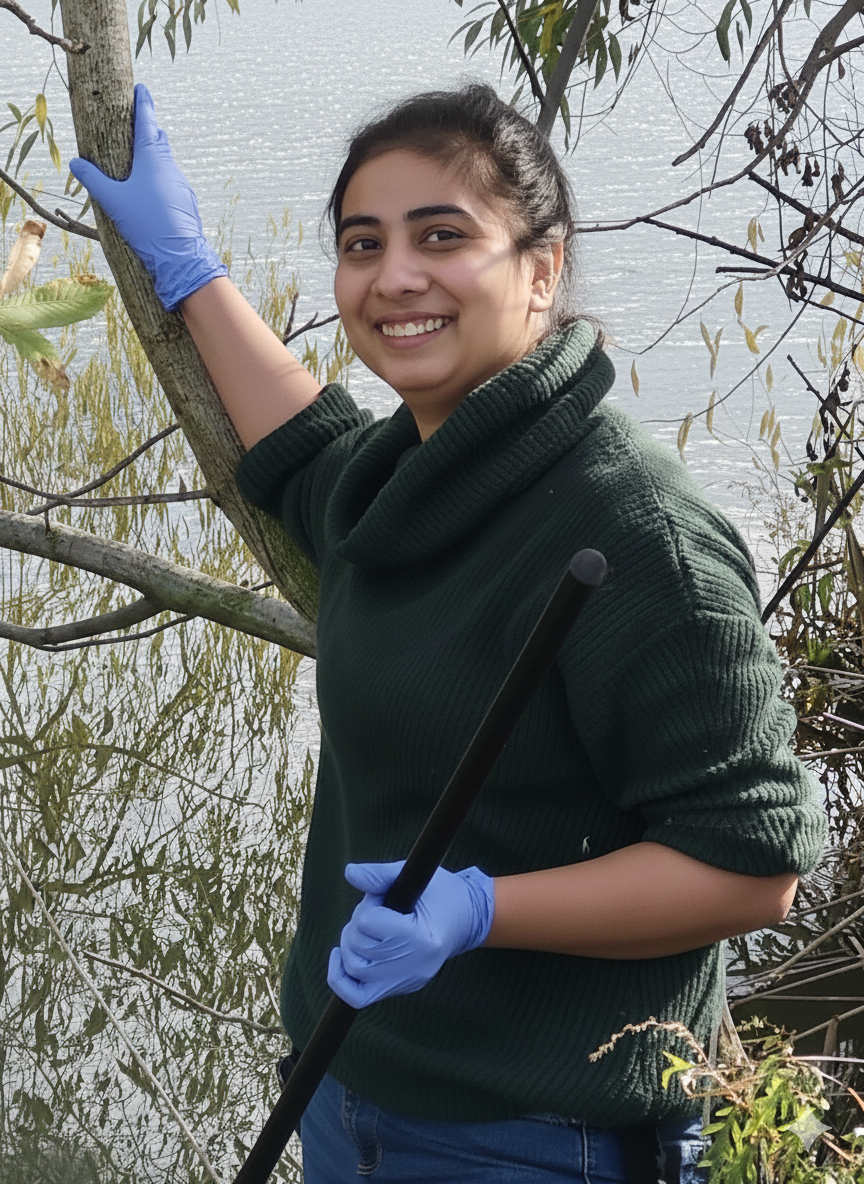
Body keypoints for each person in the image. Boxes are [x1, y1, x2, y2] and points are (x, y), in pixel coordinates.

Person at [71, 82, 827, 1184]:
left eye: (442, 236)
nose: (394, 277)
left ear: (542, 269)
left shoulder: (639, 534)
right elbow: (307, 449)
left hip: (535, 1136)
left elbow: (753, 868)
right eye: (362, 244)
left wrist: (479, 910)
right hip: (341, 1088)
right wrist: (188, 271)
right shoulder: (409, 481)